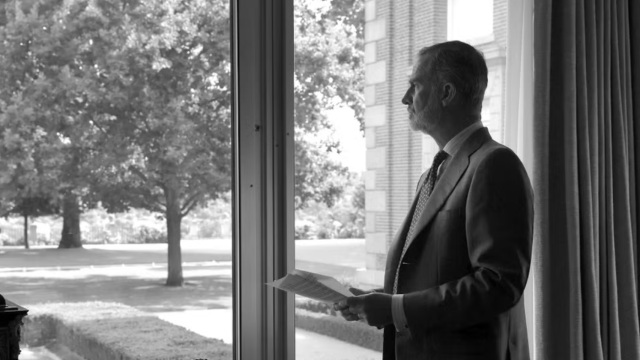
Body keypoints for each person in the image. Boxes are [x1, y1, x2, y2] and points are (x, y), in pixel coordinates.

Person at [334, 40, 534, 360]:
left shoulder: (496, 164)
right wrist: (381, 301)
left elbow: (498, 284)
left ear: (446, 93)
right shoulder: (434, 172)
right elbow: (436, 274)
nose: (405, 98)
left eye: (415, 85)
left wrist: (397, 308)